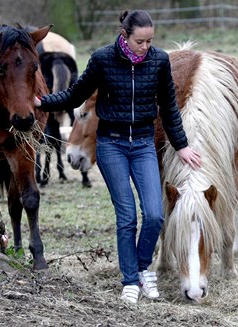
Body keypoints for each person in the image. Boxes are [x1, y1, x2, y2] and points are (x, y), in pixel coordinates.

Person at [34, 10, 201, 304]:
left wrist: (183, 145)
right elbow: (76, 95)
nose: (146, 47)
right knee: (126, 216)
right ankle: (130, 282)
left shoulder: (159, 61)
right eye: (140, 41)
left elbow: (170, 108)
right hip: (111, 145)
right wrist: (43, 101)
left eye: (150, 41)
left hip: (143, 144)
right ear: (125, 36)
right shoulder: (102, 59)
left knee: (154, 214)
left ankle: (140, 268)